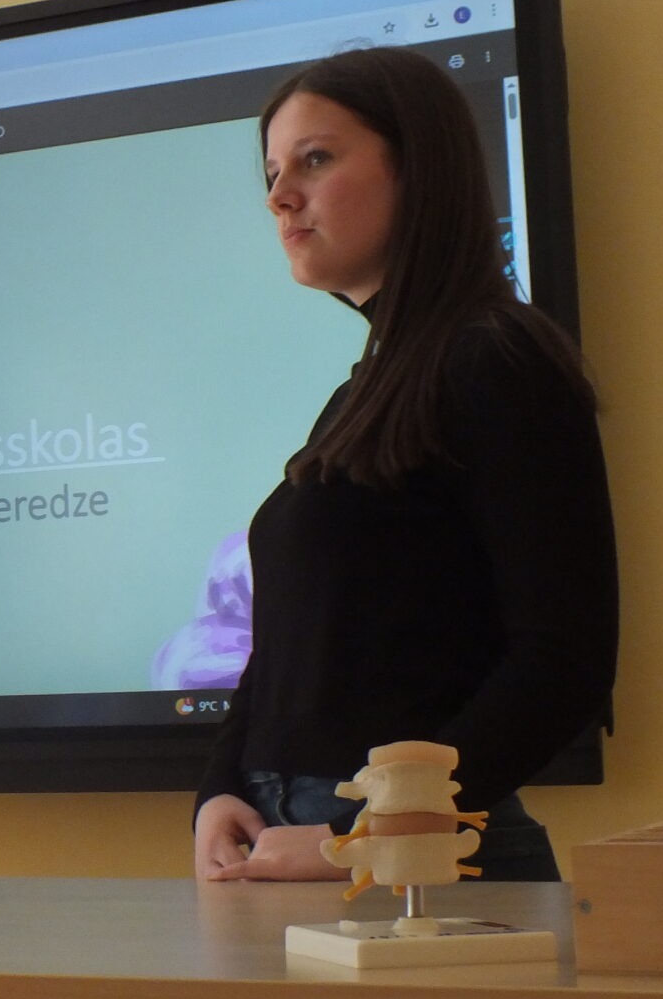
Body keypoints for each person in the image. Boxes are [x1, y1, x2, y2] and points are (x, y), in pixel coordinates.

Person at [193, 47, 618, 883]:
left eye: (316, 160)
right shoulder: (371, 386)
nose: (279, 196)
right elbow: (287, 647)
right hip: (293, 848)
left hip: (420, 870)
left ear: (417, 167)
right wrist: (221, 785)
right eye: (273, 174)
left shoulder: (496, 358)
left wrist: (368, 835)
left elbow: (564, 659)